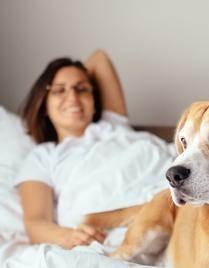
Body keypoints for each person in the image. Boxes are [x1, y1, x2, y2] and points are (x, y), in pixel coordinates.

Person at [16, 49, 131, 249]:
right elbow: (35, 222)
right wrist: (68, 236)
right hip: (110, 230)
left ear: (95, 103)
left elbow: (99, 58)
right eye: (59, 90)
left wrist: (74, 78)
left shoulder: (113, 126)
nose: (72, 97)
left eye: (81, 89)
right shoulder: (43, 156)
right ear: (44, 105)